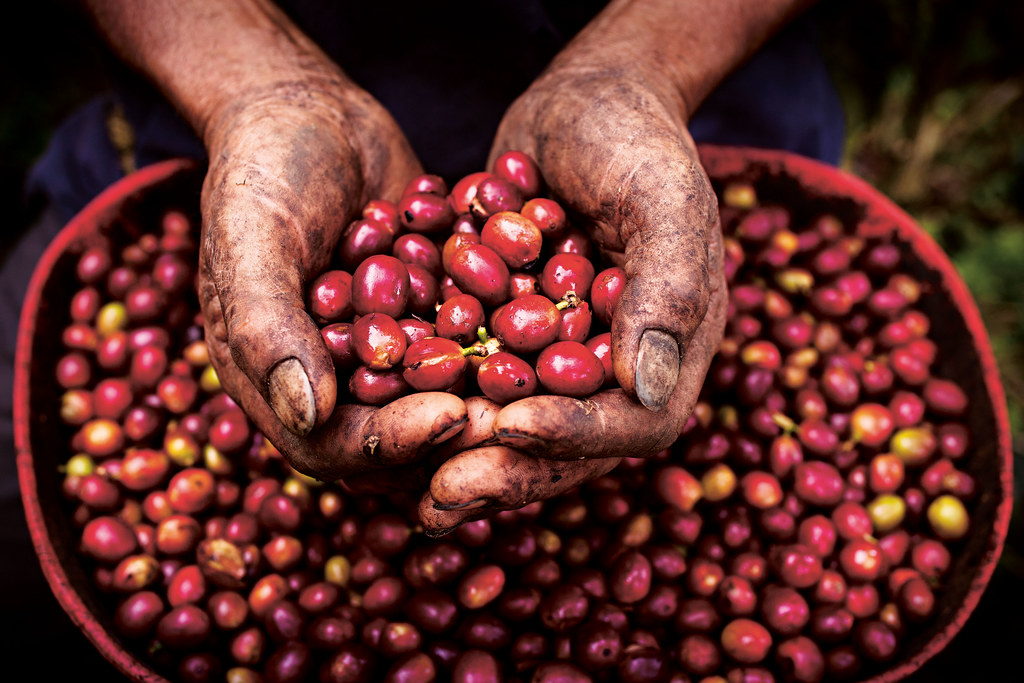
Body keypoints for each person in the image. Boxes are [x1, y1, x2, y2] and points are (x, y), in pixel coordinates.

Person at [0, 0, 843, 674]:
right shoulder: (447, 298)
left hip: (685, 143)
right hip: (215, 161)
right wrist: (253, 86)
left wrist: (644, 65)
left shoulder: (472, 297)